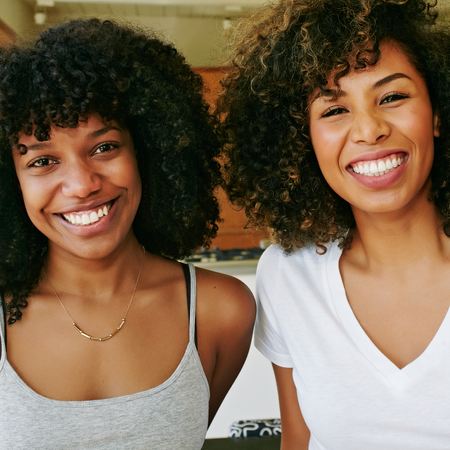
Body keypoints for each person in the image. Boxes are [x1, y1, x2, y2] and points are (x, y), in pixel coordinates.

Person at [0, 18, 255, 449]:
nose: (82, 185)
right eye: (42, 161)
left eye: (104, 147)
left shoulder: (220, 311)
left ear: (148, 151)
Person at [218, 0, 450, 448]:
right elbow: (297, 442)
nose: (368, 130)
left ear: (438, 113)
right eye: (333, 110)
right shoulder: (288, 275)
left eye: (392, 97)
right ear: (302, 139)